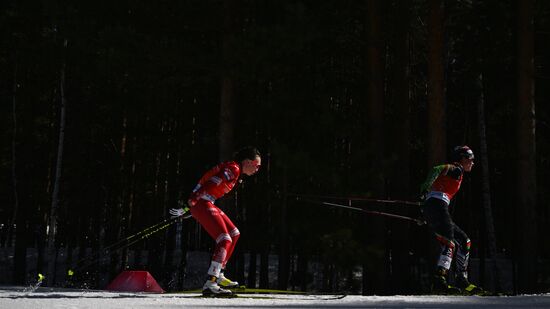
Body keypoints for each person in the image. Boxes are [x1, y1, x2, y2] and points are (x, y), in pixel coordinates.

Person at [170, 146, 261, 296]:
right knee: (224, 239)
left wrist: (192, 206)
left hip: (205, 202)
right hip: (201, 202)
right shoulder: (234, 169)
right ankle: (210, 282)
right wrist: (192, 202)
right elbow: (212, 182)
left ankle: (219, 274)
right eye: (257, 165)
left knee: (234, 233)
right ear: (248, 162)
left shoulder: (235, 170)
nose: (257, 169)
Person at [420, 145, 483, 295]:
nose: (473, 162)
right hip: (437, 206)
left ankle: (462, 279)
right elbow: (436, 169)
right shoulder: (457, 169)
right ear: (462, 159)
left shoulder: (457, 172)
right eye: (470, 159)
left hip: (435, 207)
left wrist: (424, 213)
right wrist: (424, 189)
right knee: (450, 243)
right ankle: (439, 281)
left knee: (464, 241)